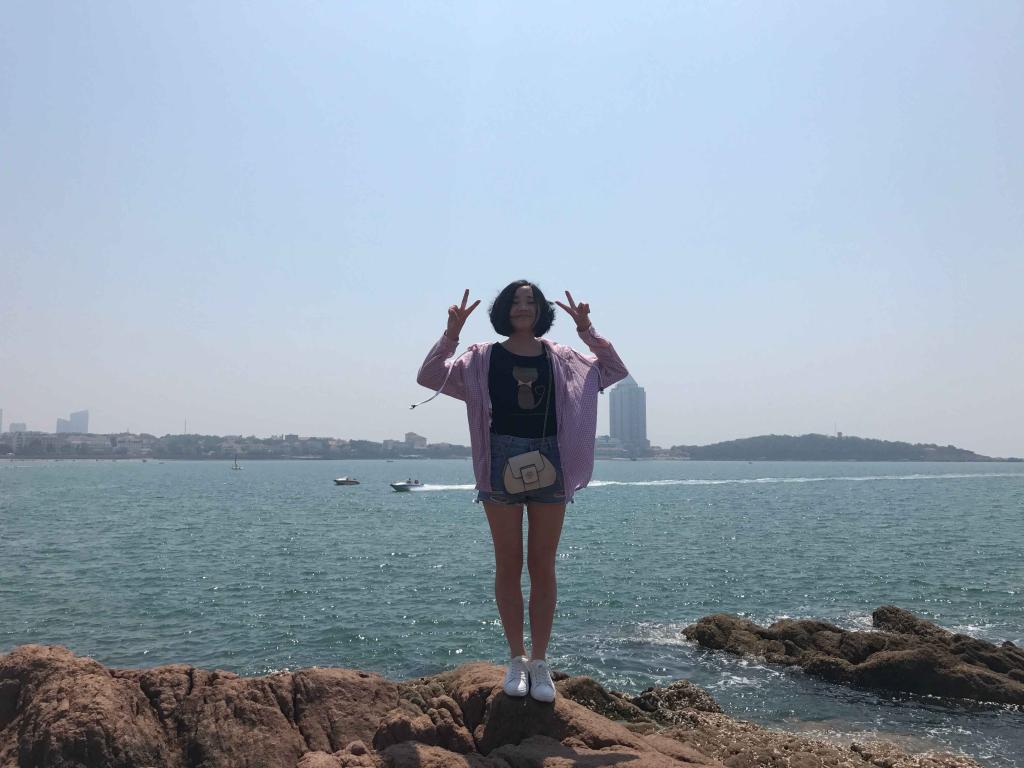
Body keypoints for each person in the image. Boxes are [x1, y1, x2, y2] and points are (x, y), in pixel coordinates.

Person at [415, 280, 628, 703]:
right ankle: (516, 657)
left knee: (543, 565)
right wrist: (451, 335)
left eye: (531, 300)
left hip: (553, 458)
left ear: (541, 310)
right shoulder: (481, 357)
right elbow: (430, 376)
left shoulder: (563, 357)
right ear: (503, 309)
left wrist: (587, 331)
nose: (523, 306)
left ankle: (540, 662)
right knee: (508, 564)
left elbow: (613, 370)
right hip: (499, 460)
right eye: (515, 300)